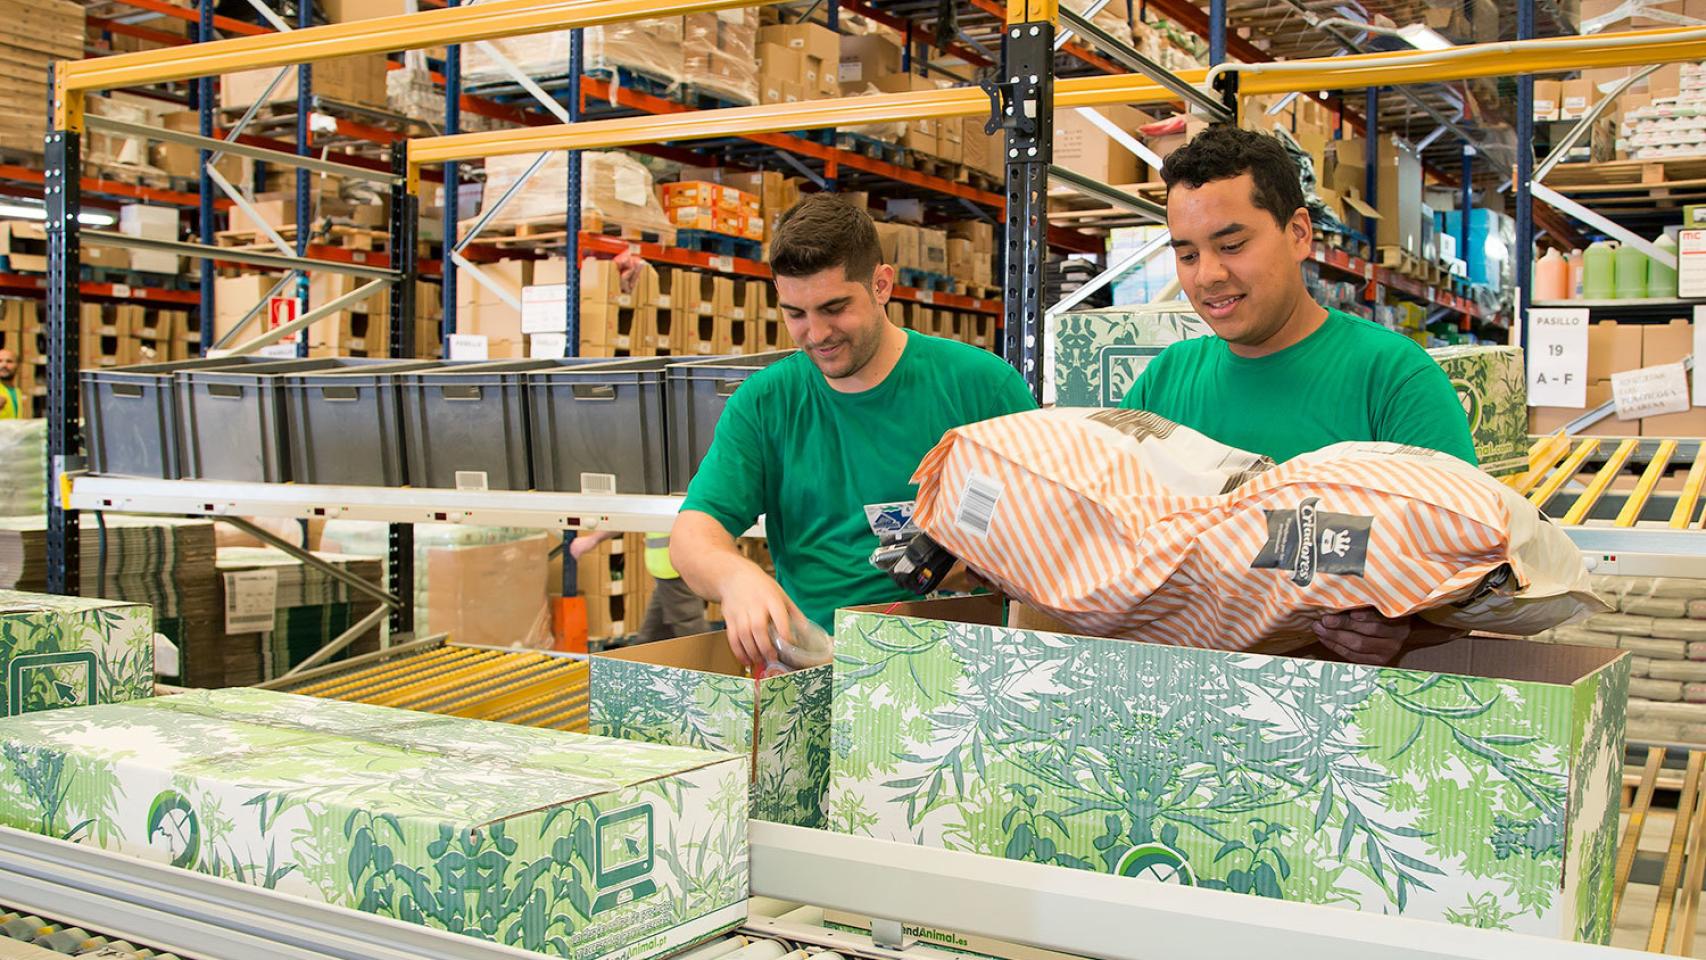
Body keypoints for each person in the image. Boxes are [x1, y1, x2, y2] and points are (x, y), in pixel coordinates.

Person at [1121, 125, 1476, 666]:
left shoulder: (1393, 378)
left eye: (1232, 245)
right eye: (1187, 255)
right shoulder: (1162, 382)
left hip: (1332, 706)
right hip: (1180, 693)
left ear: (1299, 234)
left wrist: (1407, 630)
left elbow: (1470, 569)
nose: (1209, 275)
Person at [671, 193, 1037, 668]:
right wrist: (735, 578)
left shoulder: (982, 388)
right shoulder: (765, 403)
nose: (816, 334)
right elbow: (693, 534)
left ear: (881, 285)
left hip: (961, 665)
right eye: (795, 314)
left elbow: (1054, 535)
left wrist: (980, 565)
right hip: (817, 667)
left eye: (835, 307)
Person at [566, 248, 710, 644]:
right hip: (667, 566)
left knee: (690, 632)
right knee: (653, 632)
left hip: (675, 565)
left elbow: (629, 513)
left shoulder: (663, 469)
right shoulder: (663, 462)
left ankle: (714, 674)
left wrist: (589, 540)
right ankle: (640, 661)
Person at [0, 349, 20, 420]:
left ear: (17, 366)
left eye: (9, 361)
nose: (4, 365)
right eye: (0, 361)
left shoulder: (17, 392)